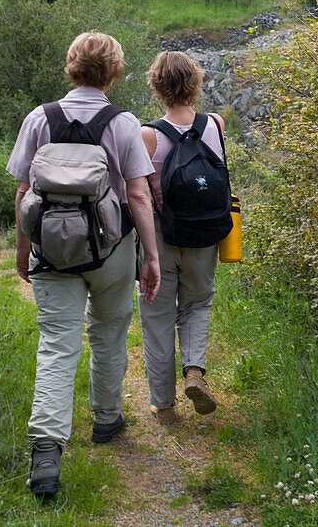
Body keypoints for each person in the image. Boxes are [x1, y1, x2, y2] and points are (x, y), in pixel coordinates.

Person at [7, 31, 161, 498]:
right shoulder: (123, 123)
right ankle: (107, 420)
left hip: (51, 251)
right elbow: (137, 194)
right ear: (113, 72)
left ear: (71, 66)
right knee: (109, 332)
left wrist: (21, 250)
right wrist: (150, 257)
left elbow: (22, 192)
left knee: (57, 344)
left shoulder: (40, 117)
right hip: (111, 252)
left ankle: (47, 455)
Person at [138, 51, 225, 424]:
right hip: (205, 233)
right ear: (195, 82)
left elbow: (138, 193)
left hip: (161, 234)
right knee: (197, 303)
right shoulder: (215, 125)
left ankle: (164, 405)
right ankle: (194, 371)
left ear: (157, 87)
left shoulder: (148, 135)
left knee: (157, 315)